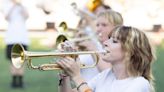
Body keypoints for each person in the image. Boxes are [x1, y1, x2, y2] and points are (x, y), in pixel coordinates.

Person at [56, 25, 156, 92]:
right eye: (109, 39)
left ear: (130, 52)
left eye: (114, 41)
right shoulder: (105, 75)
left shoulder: (140, 84)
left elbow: (82, 85)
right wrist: (66, 75)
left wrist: (77, 77)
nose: (105, 43)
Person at [75, 10, 123, 81]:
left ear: (116, 28)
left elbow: (109, 74)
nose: (98, 29)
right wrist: (73, 54)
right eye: (97, 25)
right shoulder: (95, 46)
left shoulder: (120, 49)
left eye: (104, 25)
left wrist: (93, 50)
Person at [3, 0, 29, 88]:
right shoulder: (6, 4)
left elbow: (26, 16)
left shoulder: (23, 5)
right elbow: (6, 17)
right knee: (12, 62)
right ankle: (14, 82)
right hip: (11, 39)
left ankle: (21, 82)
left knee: (22, 61)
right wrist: (13, 5)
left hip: (22, 39)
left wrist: (20, 5)